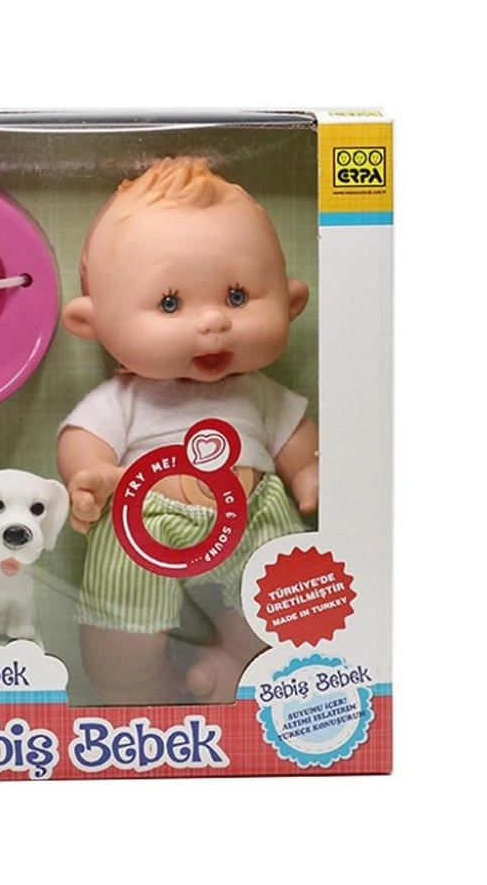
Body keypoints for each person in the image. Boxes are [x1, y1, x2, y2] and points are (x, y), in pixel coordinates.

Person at [57, 156, 319, 705]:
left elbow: (293, 434)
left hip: (255, 516)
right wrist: (91, 475)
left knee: (285, 606)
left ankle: (239, 667)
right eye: (170, 303)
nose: (213, 321)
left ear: (291, 301)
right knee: (119, 631)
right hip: (142, 522)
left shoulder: (259, 393)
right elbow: (84, 436)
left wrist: (308, 473)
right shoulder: (128, 398)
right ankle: (132, 692)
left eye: (238, 296)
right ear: (90, 322)